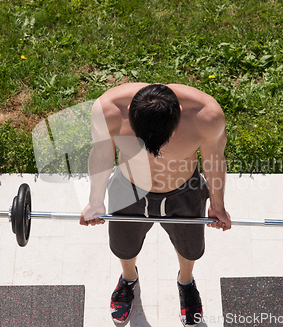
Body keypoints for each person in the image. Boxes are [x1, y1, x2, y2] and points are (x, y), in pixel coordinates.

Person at [80, 83, 231, 326]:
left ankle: (186, 281)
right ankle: (129, 279)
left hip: (184, 192)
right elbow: (101, 154)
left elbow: (214, 160)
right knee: (124, 245)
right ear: (129, 111)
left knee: (189, 247)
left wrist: (217, 204)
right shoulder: (108, 110)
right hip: (128, 188)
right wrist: (95, 201)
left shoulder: (206, 116)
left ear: (180, 112)